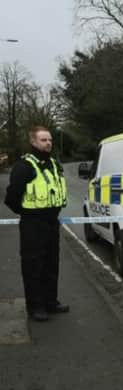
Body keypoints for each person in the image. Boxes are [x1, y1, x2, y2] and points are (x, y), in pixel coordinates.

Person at [4, 126, 69, 321]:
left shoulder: (54, 164)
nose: (48, 143)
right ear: (33, 142)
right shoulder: (24, 166)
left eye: (49, 140)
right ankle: (36, 307)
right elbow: (11, 198)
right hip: (33, 223)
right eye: (43, 140)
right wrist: (28, 213)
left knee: (51, 264)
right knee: (33, 266)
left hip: (52, 222)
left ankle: (51, 302)